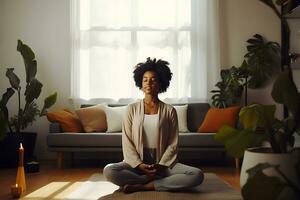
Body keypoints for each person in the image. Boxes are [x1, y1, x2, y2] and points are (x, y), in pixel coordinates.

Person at [103, 57, 204, 193]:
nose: (148, 83)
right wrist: (139, 165)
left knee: (197, 175)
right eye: (145, 79)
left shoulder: (169, 110)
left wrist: (161, 165)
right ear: (140, 82)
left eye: (153, 79)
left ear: (161, 83)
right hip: (136, 164)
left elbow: (173, 143)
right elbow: (127, 141)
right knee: (109, 170)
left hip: (164, 163)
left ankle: (145, 186)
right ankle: (147, 180)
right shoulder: (131, 109)